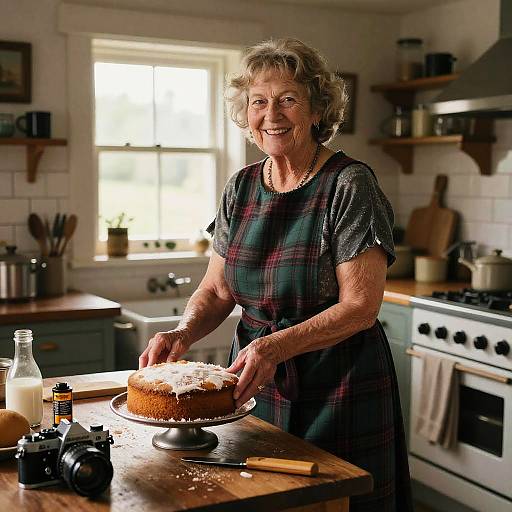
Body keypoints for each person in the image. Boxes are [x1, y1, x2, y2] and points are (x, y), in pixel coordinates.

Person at [139, 38, 412, 511]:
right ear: (245, 115)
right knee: (259, 497)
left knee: (335, 501)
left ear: (316, 110)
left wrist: (274, 346)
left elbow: (360, 308)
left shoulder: (350, 184)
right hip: (253, 382)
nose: (272, 115)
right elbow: (217, 288)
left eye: (288, 99)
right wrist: (183, 332)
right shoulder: (241, 186)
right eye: (258, 102)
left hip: (338, 384)